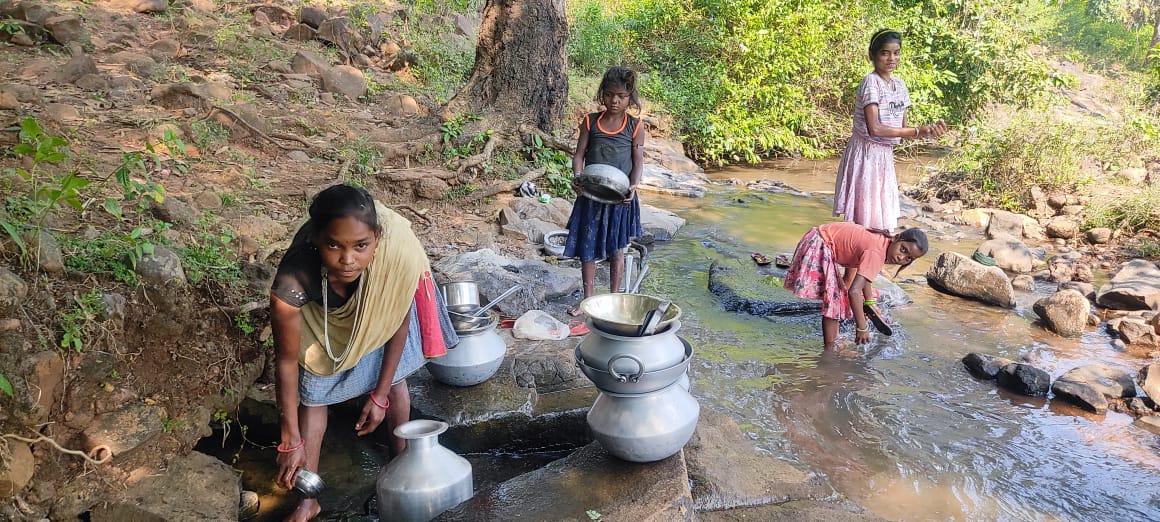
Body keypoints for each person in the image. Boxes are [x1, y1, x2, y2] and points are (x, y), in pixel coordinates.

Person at [269, 184, 457, 521]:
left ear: (377, 239)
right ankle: (309, 501)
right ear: (316, 238)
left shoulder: (393, 261)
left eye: (360, 246)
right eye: (333, 245)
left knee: (396, 379)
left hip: (383, 316)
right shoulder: (295, 279)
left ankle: (402, 462)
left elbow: (396, 327)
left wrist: (380, 395)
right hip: (324, 324)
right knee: (313, 394)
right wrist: (289, 439)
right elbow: (286, 361)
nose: (347, 259)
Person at [833, 29, 947, 231]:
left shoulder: (900, 85)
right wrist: (915, 130)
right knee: (862, 224)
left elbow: (902, 131)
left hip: (884, 157)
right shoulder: (871, 82)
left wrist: (927, 131)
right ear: (873, 55)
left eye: (896, 53)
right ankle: (854, 262)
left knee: (881, 223)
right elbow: (875, 128)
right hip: (865, 155)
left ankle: (872, 262)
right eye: (885, 53)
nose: (891, 58)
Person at [564, 66, 646, 315]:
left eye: (621, 96)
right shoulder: (591, 121)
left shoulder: (635, 126)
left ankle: (612, 300)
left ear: (629, 96)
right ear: (603, 94)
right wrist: (577, 177)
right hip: (591, 194)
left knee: (616, 249)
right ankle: (587, 300)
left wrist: (633, 186)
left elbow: (638, 162)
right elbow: (579, 155)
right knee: (587, 247)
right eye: (610, 94)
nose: (614, 101)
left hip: (620, 197)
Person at [783, 222, 928, 349]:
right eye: (903, 249)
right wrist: (862, 327)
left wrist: (870, 301)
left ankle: (835, 340)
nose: (901, 258)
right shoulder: (876, 252)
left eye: (908, 258)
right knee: (835, 301)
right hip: (820, 245)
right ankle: (831, 349)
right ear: (896, 238)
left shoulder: (882, 242)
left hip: (817, 238)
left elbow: (865, 276)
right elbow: (854, 291)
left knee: (840, 296)